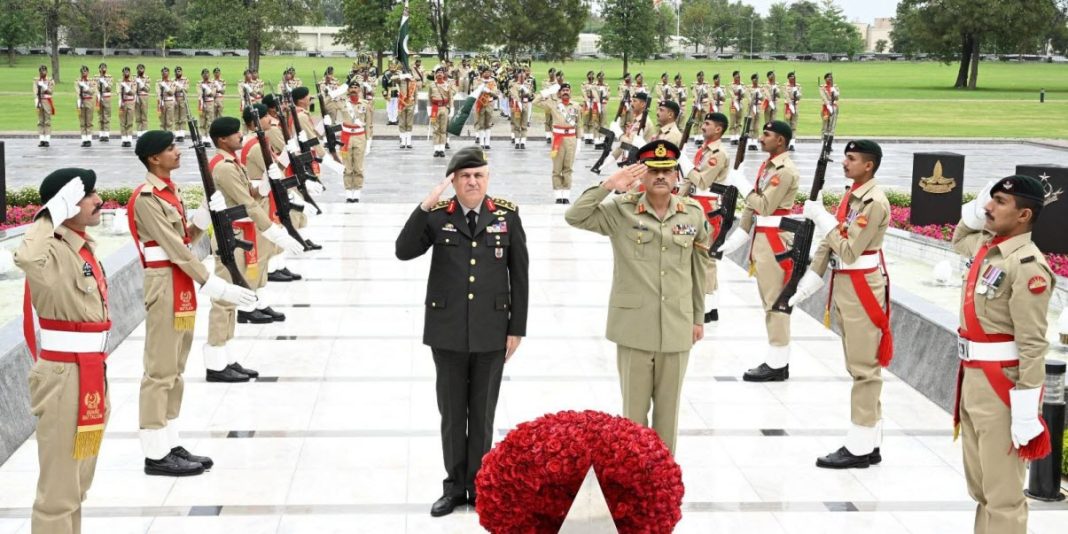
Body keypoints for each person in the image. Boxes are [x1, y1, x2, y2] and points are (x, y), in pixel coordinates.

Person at [395, 147, 529, 517]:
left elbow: (519, 275)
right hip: (447, 330)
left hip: (492, 329)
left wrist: (516, 327)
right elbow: (404, 251)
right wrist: (424, 206)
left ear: (487, 179)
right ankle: (454, 487)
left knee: (483, 412)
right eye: (465, 176)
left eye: (479, 176)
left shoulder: (507, 215)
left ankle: (481, 484)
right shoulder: (438, 216)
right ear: (453, 181)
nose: (472, 182)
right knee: (453, 413)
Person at [565, 140, 710, 455]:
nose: (661, 176)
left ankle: (662, 480)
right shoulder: (621, 210)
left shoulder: (694, 214)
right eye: (653, 170)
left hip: (677, 325)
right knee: (633, 414)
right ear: (640, 175)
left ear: (677, 176)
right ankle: (633, 478)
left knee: (668, 414)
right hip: (634, 327)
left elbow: (700, 270)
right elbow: (574, 216)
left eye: (667, 170)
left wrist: (698, 317)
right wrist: (608, 185)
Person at [128, 130, 256, 475]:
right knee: (159, 371)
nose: (177, 152)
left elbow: (185, 236)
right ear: (154, 158)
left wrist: (204, 216)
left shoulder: (169, 193)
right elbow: (176, 248)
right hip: (167, 282)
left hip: (179, 282)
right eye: (171, 149)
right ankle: (156, 453)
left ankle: (169, 440)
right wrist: (213, 283)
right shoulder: (147, 197)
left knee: (176, 368)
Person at [951, 174, 1055, 534]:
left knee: (1004, 494)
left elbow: (1032, 342)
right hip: (973, 377)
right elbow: (959, 237)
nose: (988, 207)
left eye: (999, 202)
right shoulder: (987, 246)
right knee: (981, 487)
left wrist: (1028, 408)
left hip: (1002, 386)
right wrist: (980, 208)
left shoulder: (1026, 266)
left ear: (1024, 215)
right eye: (989, 199)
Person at [16, 168, 110, 533]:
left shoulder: (82, 247)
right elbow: (26, 259)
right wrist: (50, 213)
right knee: (58, 493)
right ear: (67, 204)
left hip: (90, 369)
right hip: (63, 377)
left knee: (76, 486)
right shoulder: (50, 248)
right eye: (88, 195)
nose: (98, 200)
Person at [790, 140, 893, 468]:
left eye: (852, 159)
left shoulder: (873, 202)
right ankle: (871, 440)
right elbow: (829, 244)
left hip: (862, 287)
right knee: (859, 364)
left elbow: (848, 250)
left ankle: (860, 447)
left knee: (864, 370)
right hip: (848, 285)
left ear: (869, 166)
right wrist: (809, 280)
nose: (844, 163)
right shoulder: (854, 196)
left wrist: (821, 217)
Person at [203, 117, 304, 382]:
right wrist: (275, 233)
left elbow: (250, 192)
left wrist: (266, 183)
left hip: (239, 232)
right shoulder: (223, 167)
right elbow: (247, 203)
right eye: (235, 134)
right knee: (224, 301)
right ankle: (215, 363)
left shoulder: (232, 163)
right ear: (223, 139)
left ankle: (227, 358)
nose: (240, 136)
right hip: (231, 235)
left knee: (232, 300)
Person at [716, 121, 800, 381]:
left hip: (775, 242)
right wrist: (733, 240)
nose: (761, 138)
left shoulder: (784, 171)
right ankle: (778, 361)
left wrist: (741, 185)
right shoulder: (770, 166)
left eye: (767, 134)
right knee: (769, 302)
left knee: (776, 303)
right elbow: (753, 212)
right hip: (764, 239)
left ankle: (776, 365)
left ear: (781, 141)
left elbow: (763, 205)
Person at [677, 112, 731, 323]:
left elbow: (701, 181)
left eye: (707, 124)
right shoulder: (706, 150)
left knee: (705, 258)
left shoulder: (717, 153)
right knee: (701, 257)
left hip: (707, 207)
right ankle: (711, 306)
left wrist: (685, 164)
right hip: (698, 204)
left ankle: (707, 309)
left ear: (718, 129)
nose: (703, 127)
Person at [534, 82, 583, 204]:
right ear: (559, 93)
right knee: (557, 168)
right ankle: (557, 195)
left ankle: (566, 195)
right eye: (563, 90)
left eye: (567, 90)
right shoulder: (553, 104)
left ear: (570, 92)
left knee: (568, 168)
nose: (565, 92)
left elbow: (579, 124)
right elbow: (535, 102)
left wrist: (579, 141)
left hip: (571, 139)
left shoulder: (576, 106)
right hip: (557, 139)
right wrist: (547, 92)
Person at [473, 69, 499, 149]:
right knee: (481, 123)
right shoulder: (477, 80)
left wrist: (487, 91)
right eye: (485, 72)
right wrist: (481, 89)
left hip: (489, 103)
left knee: (488, 123)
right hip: (480, 103)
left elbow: (495, 92)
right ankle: (481, 142)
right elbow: (475, 89)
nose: (487, 73)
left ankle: (487, 143)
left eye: (488, 72)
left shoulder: (493, 81)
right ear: (482, 73)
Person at [508, 69, 531, 150]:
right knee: (517, 124)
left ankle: (523, 142)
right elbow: (513, 94)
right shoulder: (514, 85)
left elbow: (531, 94)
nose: (521, 76)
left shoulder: (527, 84)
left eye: (523, 75)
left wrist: (525, 90)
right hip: (517, 106)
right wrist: (518, 102)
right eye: (520, 75)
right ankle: (517, 142)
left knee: (524, 125)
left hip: (525, 106)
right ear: (517, 76)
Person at [34, 64, 55, 147]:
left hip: (47, 101)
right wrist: (36, 100)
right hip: (39, 100)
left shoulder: (50, 80)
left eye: (45, 70)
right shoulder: (36, 80)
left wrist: (43, 86)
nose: (43, 72)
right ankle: (42, 139)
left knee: (47, 120)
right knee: (40, 121)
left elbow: (50, 91)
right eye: (42, 71)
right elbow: (35, 91)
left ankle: (47, 139)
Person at [75, 66, 95, 147]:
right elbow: (77, 91)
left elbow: (92, 91)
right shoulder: (77, 81)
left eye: (86, 71)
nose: (84, 73)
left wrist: (85, 87)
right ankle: (84, 139)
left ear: (88, 72)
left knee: (89, 121)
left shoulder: (91, 81)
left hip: (89, 101)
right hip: (81, 101)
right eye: (83, 72)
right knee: (82, 122)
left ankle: (89, 139)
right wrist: (79, 102)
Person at [118, 67, 136, 147]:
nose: (126, 73)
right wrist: (120, 101)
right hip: (123, 102)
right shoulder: (119, 82)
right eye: (125, 72)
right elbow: (118, 92)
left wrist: (126, 87)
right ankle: (124, 139)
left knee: (129, 121)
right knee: (123, 122)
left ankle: (129, 139)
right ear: (123, 73)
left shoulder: (133, 82)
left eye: (128, 72)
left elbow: (133, 92)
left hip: (130, 102)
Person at [96, 63, 113, 143]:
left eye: (104, 68)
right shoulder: (96, 77)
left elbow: (109, 88)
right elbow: (94, 87)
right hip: (99, 98)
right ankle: (101, 134)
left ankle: (106, 134)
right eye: (101, 68)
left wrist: (105, 82)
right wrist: (98, 94)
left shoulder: (109, 77)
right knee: (100, 117)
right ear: (99, 69)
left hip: (106, 98)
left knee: (106, 116)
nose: (103, 69)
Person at [747, 74, 764, 150]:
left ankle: (755, 143)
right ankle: (750, 142)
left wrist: (759, 94)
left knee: (756, 126)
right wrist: (754, 95)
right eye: (754, 79)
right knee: (751, 125)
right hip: (751, 107)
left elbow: (763, 98)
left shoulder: (760, 88)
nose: (756, 80)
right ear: (752, 80)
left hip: (758, 107)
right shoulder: (749, 88)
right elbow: (748, 98)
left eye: (757, 79)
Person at [784, 71, 801, 150]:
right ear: (788, 78)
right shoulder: (785, 86)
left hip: (796, 106)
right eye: (791, 76)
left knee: (794, 125)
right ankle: (786, 143)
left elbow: (800, 96)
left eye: (793, 77)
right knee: (787, 125)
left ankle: (792, 144)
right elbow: (786, 95)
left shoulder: (797, 86)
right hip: (788, 106)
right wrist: (790, 104)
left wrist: (796, 92)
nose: (792, 78)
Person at [173, 66, 190, 141]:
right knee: (176, 117)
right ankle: (177, 134)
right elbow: (172, 90)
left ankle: (182, 134)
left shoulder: (185, 79)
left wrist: (178, 88)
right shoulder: (172, 80)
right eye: (177, 71)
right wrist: (180, 88)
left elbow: (186, 89)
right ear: (175, 72)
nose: (178, 72)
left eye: (180, 71)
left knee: (182, 117)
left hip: (183, 99)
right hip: (175, 99)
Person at [134, 64, 151, 138]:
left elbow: (147, 89)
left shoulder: (147, 78)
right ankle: (139, 133)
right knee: (138, 116)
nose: (141, 70)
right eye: (139, 69)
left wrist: (140, 83)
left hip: (144, 97)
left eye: (142, 69)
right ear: (137, 69)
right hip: (136, 97)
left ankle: (144, 133)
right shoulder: (134, 77)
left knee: (144, 116)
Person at [728, 71, 745, 145]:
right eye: (737, 76)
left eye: (739, 76)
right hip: (733, 104)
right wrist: (737, 94)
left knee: (739, 120)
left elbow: (744, 94)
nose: (739, 77)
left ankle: (737, 136)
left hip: (740, 103)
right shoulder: (731, 85)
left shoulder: (742, 84)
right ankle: (732, 137)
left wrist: (742, 91)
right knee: (732, 120)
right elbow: (731, 94)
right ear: (734, 77)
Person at [157, 67, 176, 134]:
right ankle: (162, 135)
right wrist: (160, 102)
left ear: (168, 73)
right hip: (162, 102)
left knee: (169, 120)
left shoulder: (172, 82)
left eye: (166, 71)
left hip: (169, 102)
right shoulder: (158, 82)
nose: (164, 73)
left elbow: (172, 92)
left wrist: (165, 86)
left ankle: (169, 135)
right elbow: (158, 92)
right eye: (163, 71)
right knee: (162, 121)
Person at [198, 68, 217, 132]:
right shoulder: (199, 83)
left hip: (210, 103)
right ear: (202, 75)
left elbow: (213, 94)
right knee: (202, 120)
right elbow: (200, 93)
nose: (206, 75)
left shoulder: (213, 83)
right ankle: (203, 135)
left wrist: (207, 90)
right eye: (204, 73)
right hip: (202, 102)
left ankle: (209, 135)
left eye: (207, 73)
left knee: (210, 119)